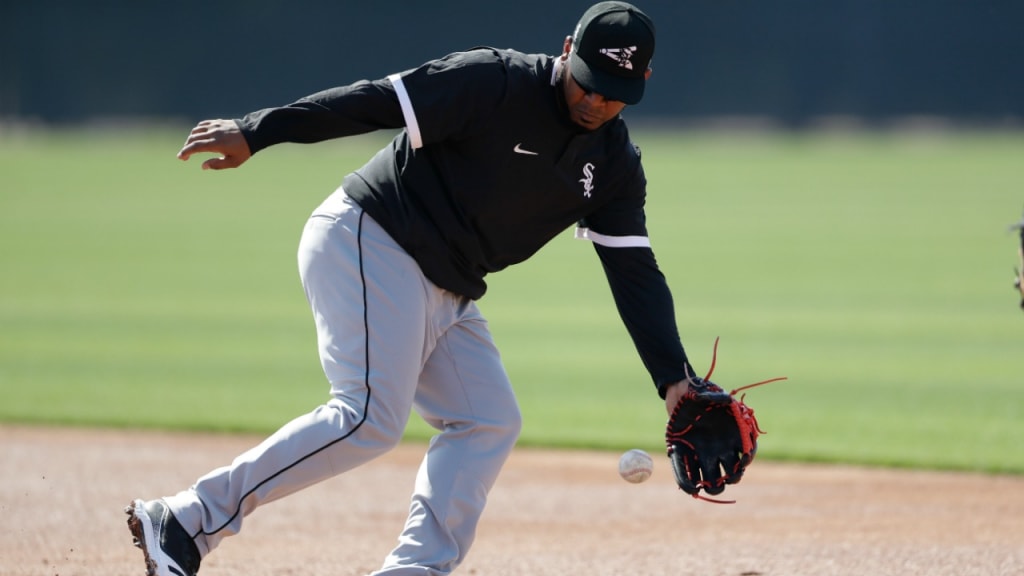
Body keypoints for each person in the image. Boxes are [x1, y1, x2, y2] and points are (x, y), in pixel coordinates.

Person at [125, 3, 702, 575]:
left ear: (643, 81)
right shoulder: (494, 81)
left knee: (487, 420)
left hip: (447, 287)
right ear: (567, 50)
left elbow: (635, 274)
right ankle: (187, 518)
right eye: (587, 82)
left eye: (613, 92)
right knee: (368, 417)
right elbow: (374, 101)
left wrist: (675, 380)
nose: (596, 100)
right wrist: (259, 130)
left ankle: (415, 569)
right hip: (371, 236)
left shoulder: (615, 165)